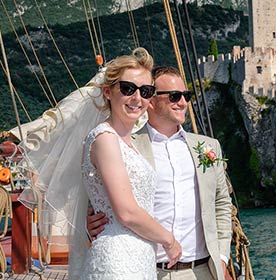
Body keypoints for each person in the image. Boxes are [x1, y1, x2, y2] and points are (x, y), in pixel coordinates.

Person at [87, 66, 233, 280]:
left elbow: (221, 204)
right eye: (174, 96)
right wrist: (89, 223)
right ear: (151, 101)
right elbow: (102, 198)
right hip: (147, 270)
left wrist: (221, 257)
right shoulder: (125, 146)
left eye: (186, 96)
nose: (183, 102)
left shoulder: (209, 147)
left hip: (201, 271)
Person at [79, 48, 183, 279]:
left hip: (140, 258)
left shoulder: (129, 143)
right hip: (117, 260)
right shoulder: (105, 139)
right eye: (128, 89)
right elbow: (126, 212)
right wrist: (169, 240)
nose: (137, 98)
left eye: (145, 91)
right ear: (108, 92)